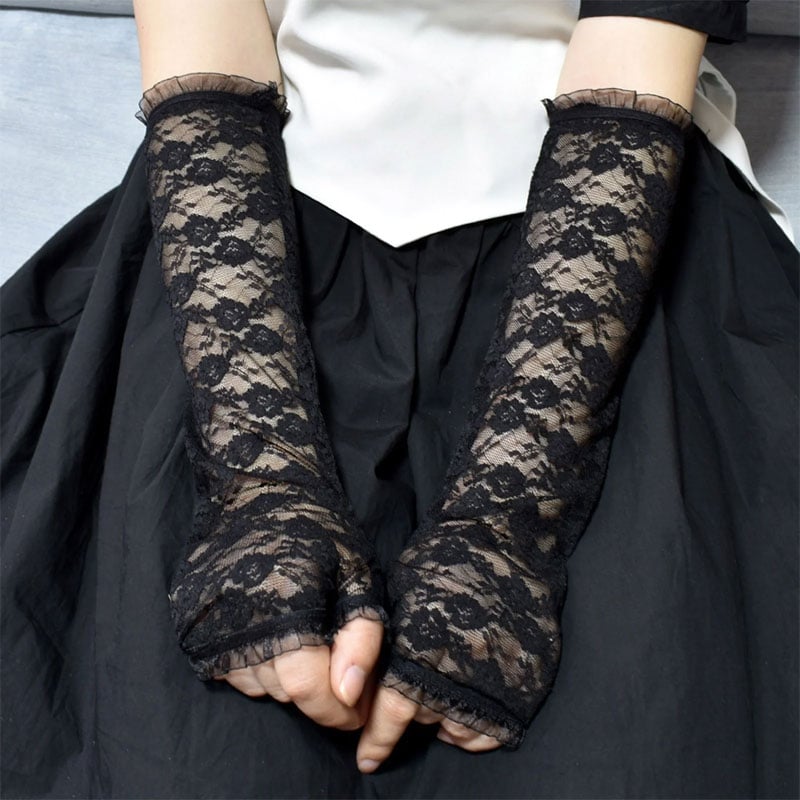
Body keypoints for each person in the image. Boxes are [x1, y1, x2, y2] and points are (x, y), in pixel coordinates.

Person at [1, 1, 797, 798]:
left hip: (607, 216)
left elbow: (633, 65)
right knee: (192, 752)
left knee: (631, 739)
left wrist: (507, 522)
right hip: (245, 218)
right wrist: (261, 480)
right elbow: (207, 44)